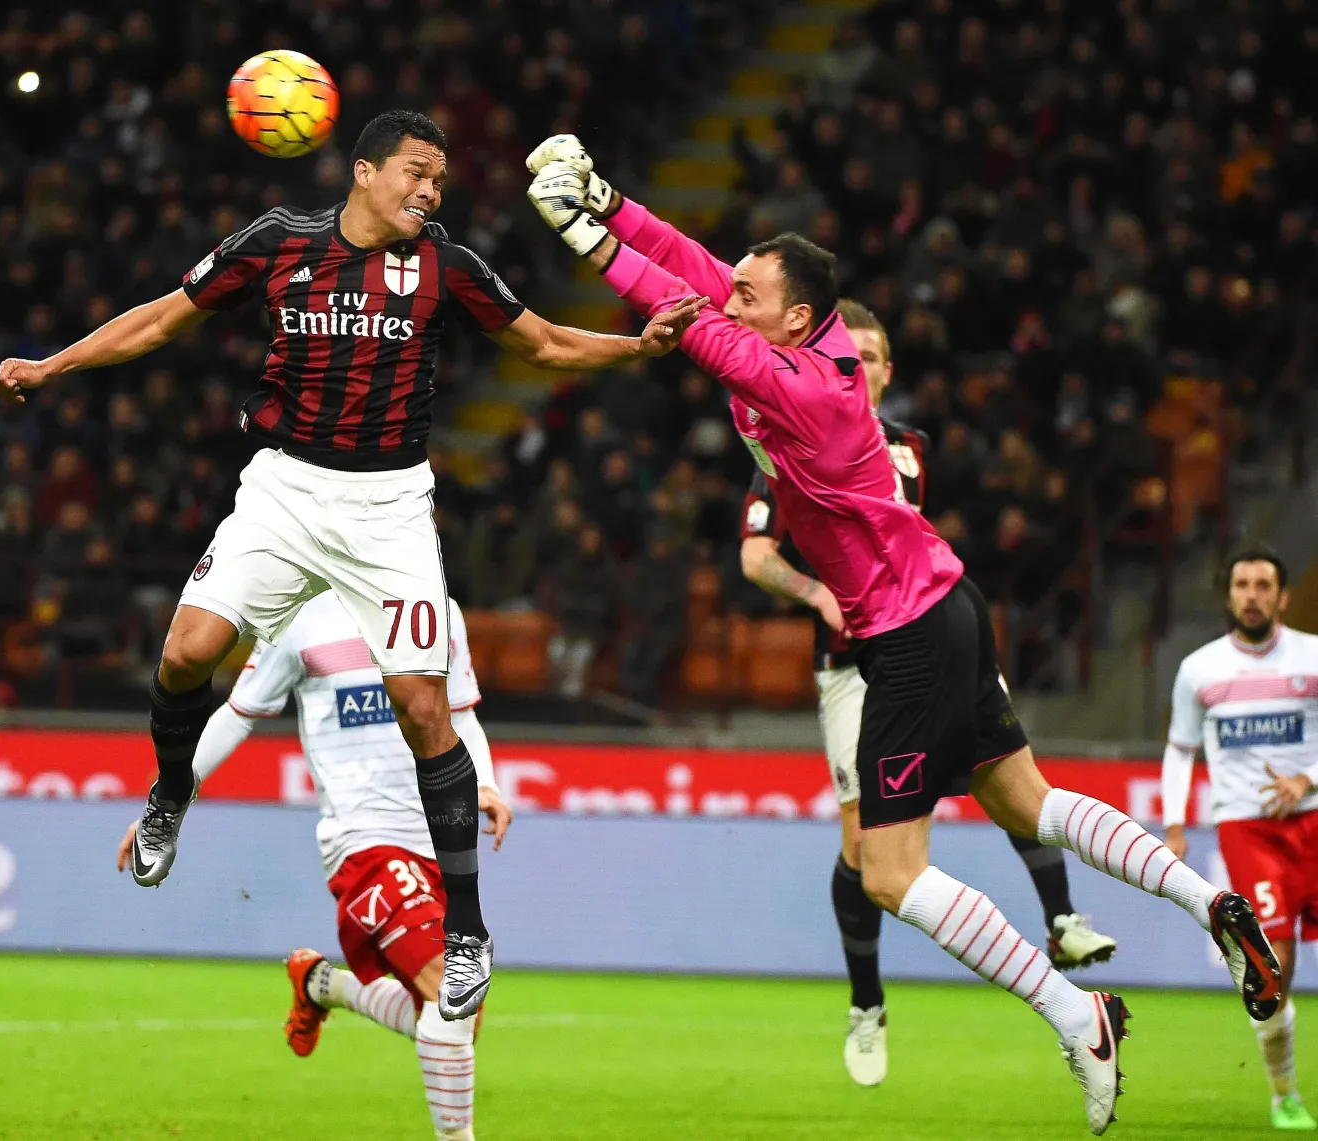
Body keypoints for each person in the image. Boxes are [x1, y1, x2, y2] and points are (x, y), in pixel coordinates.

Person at [523, 134, 1282, 1135]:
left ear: (788, 315)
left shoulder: (795, 383)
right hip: (950, 603)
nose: (727, 294)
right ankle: (1208, 903)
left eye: (746, 291)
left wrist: (572, 224)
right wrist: (607, 192)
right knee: (1029, 800)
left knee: (886, 870)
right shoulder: (808, 339)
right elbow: (685, 261)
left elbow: (665, 303)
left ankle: (1074, 1010)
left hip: (907, 633)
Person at [0, 110, 702, 1019]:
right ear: (365, 171)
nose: (429, 191)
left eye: (439, 181)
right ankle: (171, 794)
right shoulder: (278, 243)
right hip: (286, 490)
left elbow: (543, 342)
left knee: (422, 707)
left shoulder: (446, 265)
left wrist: (637, 346)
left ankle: (468, 934)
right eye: (415, 172)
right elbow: (164, 319)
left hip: (390, 509)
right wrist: (52, 366)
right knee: (183, 655)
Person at [740, 299, 1116, 1087]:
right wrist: (813, 593)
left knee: (1011, 774)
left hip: (927, 631)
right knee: (865, 847)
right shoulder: (787, 442)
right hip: (849, 661)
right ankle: (867, 1003)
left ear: (885, 371)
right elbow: (754, 554)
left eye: (876, 358)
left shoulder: (909, 447)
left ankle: (1062, 919)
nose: (866, 368)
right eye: (858, 354)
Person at [117, 591, 507, 1141]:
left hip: (437, 839)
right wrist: (168, 802)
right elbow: (236, 715)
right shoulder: (299, 616)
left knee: (458, 1015)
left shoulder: (437, 608)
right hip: (363, 840)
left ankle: (322, 984)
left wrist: (485, 782)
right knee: (448, 991)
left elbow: (460, 711)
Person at [1162, 547, 1318, 1132]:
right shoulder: (1200, 670)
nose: (1252, 594)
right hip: (1247, 830)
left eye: (1263, 584)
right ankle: (1285, 1096)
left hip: (1315, 820)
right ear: (1228, 595)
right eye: (1242, 584)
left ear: (1282, 596)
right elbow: (1180, 750)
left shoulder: (1312, 656)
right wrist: (1175, 824)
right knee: (1274, 967)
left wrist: (1308, 778)